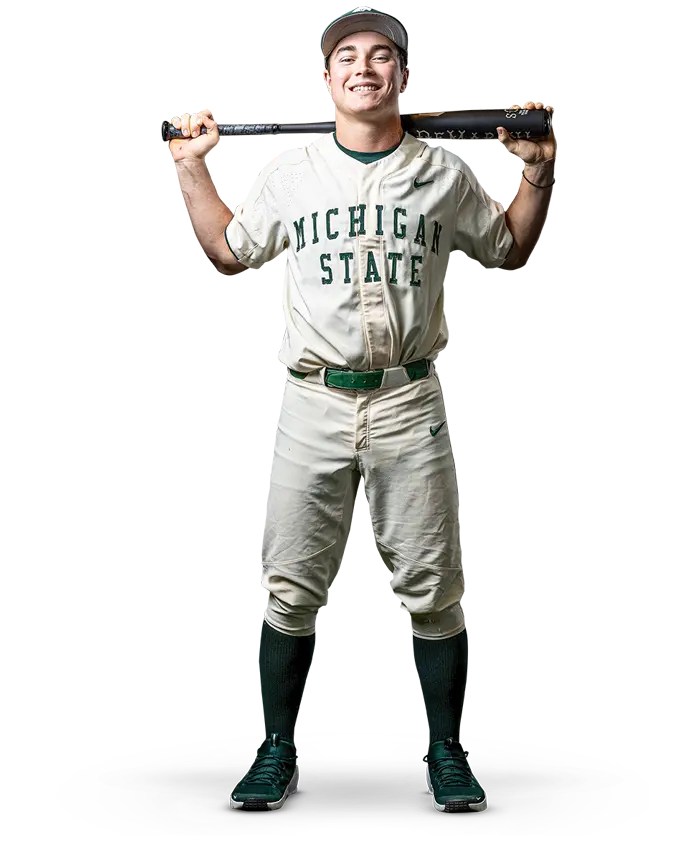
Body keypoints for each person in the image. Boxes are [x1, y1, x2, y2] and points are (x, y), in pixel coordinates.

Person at [167, 6, 555, 814]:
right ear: (326, 79)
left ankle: (446, 751)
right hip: (312, 400)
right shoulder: (291, 174)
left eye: (382, 56)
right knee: (288, 583)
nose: (365, 68)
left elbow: (507, 250)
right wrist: (193, 170)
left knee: (434, 585)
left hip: (409, 400)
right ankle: (276, 748)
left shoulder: (440, 175)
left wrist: (535, 176)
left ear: (402, 78)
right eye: (347, 56)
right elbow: (232, 253)